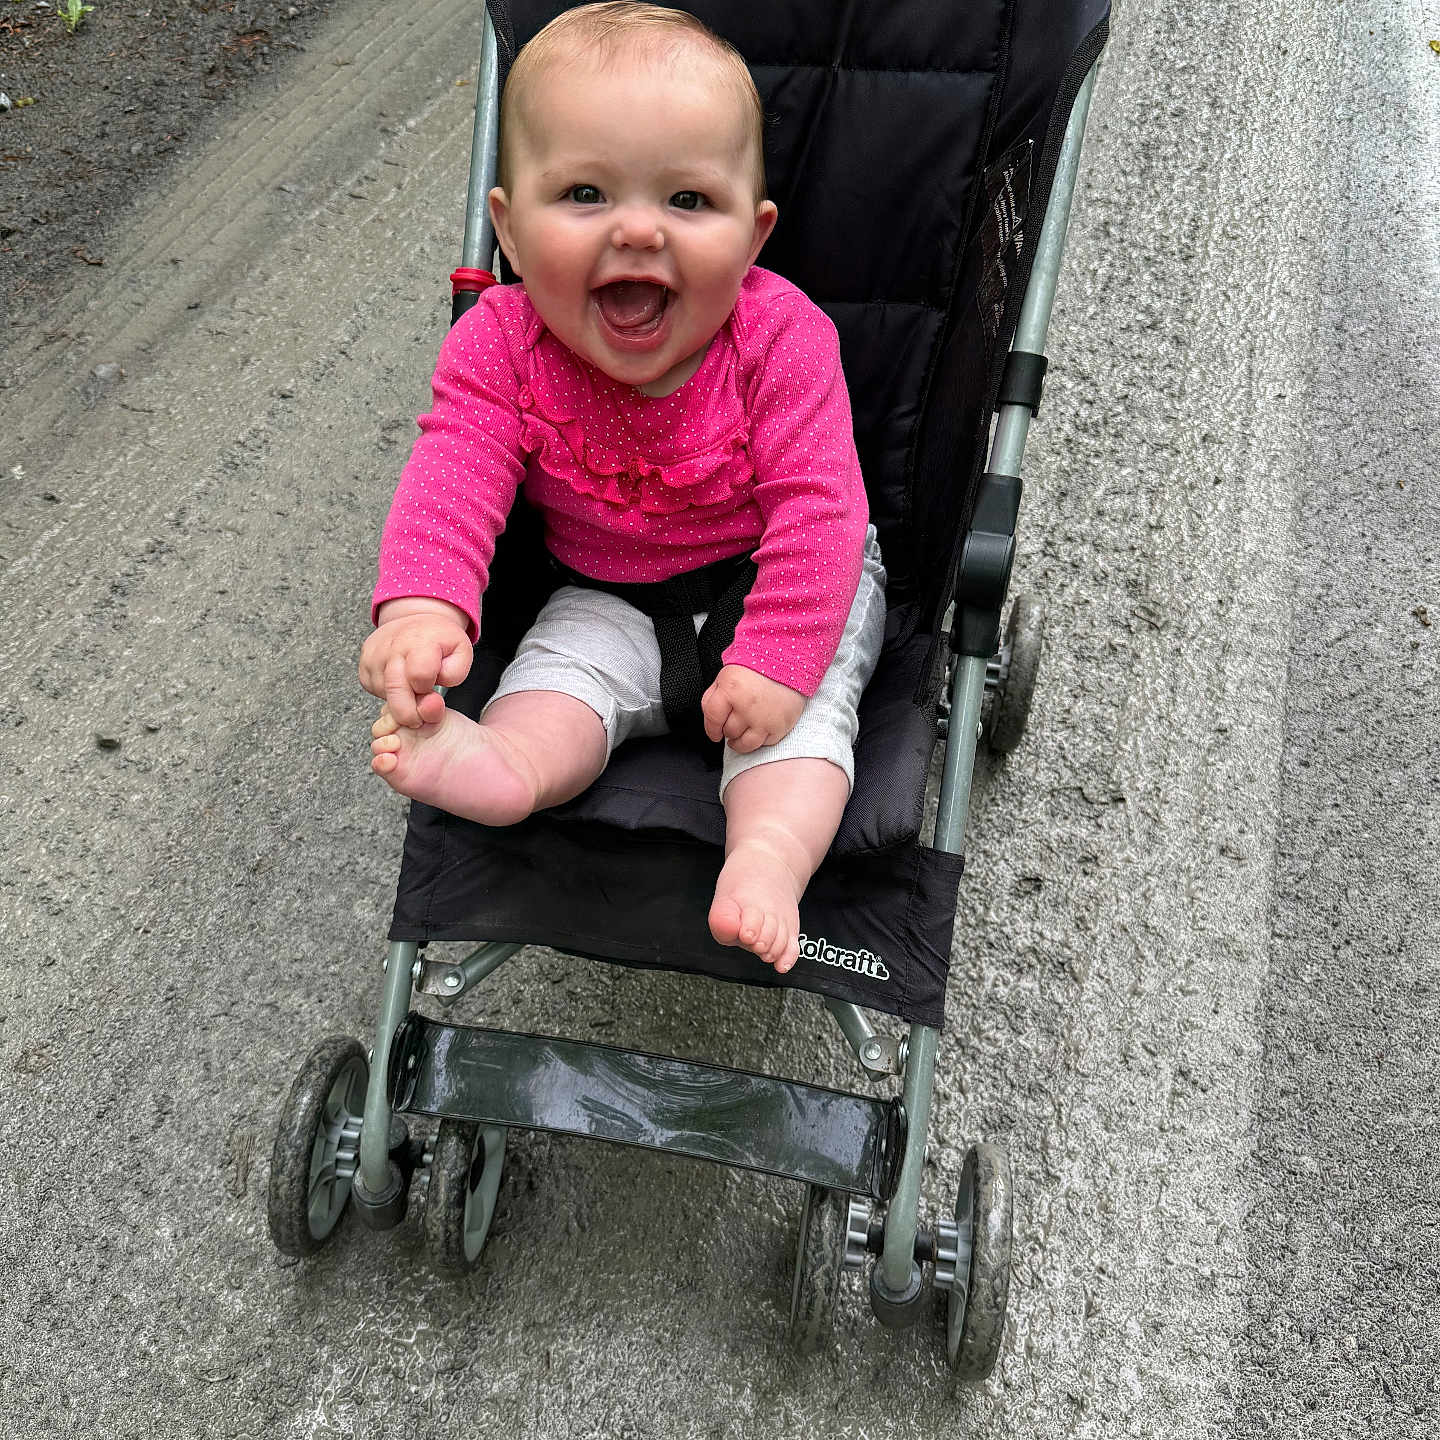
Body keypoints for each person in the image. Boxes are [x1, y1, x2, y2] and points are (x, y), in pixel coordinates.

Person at [361, 1, 885, 976]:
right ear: (510, 234)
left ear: (754, 234)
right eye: (588, 194)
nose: (640, 230)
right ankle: (500, 768)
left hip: (776, 582)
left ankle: (766, 858)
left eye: (689, 202)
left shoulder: (782, 338)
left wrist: (776, 657)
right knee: (554, 686)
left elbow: (821, 510)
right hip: (608, 590)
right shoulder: (500, 346)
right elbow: (455, 474)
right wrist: (424, 603)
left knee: (804, 733)